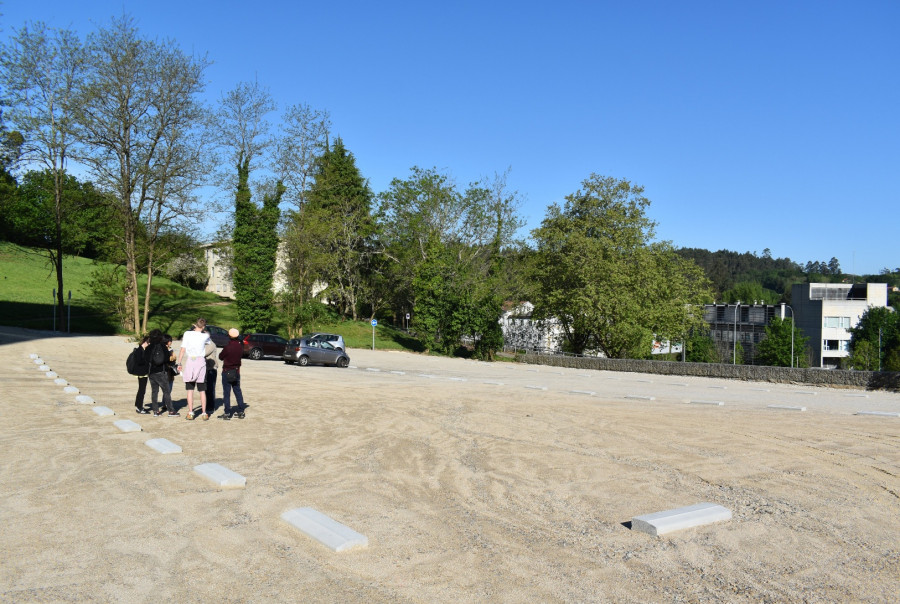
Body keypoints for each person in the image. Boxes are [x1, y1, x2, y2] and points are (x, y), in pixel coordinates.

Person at [177, 317, 212, 420]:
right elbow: (209, 338)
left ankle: (191, 412)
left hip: (191, 361)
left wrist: (179, 362)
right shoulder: (205, 335)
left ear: (195, 324)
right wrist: (203, 330)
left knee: (190, 389)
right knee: (202, 390)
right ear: (204, 326)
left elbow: (183, 350)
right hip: (200, 361)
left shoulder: (187, 334)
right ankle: (204, 413)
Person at [146, 329, 178, 417]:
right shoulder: (162, 346)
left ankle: (156, 411)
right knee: (166, 391)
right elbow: (167, 357)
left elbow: (146, 358)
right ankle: (171, 411)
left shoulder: (149, 347)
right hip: (161, 371)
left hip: (151, 372)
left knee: (154, 392)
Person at [218, 327, 247, 420]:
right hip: (236, 371)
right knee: (237, 391)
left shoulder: (227, 347)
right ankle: (241, 410)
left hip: (227, 371)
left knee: (226, 393)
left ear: (229, 336)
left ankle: (227, 413)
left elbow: (221, 357)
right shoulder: (240, 346)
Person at [132, 335, 151, 414]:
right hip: (142, 373)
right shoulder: (140, 350)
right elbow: (139, 361)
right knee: (142, 390)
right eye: (149, 343)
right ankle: (139, 407)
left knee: (141, 389)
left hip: (143, 373)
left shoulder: (141, 349)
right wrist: (147, 361)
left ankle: (138, 404)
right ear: (146, 342)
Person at [204, 335, 218, 413]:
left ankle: (210, 407)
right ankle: (206, 405)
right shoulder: (205, 344)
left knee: (210, 388)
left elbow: (204, 353)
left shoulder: (211, 344)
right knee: (205, 389)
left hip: (211, 369)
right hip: (206, 368)